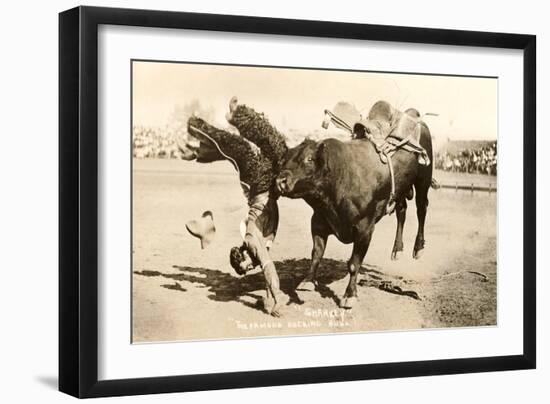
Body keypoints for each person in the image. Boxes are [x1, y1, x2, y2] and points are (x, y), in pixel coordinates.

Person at [183, 97, 288, 316]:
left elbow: (268, 267)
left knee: (237, 148)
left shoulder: (251, 241)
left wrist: (277, 298)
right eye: (247, 269)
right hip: (267, 190)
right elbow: (266, 266)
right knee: (272, 145)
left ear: (244, 255)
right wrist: (268, 298)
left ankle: (198, 127)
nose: (250, 268)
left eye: (244, 267)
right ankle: (233, 117)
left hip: (259, 186)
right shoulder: (260, 245)